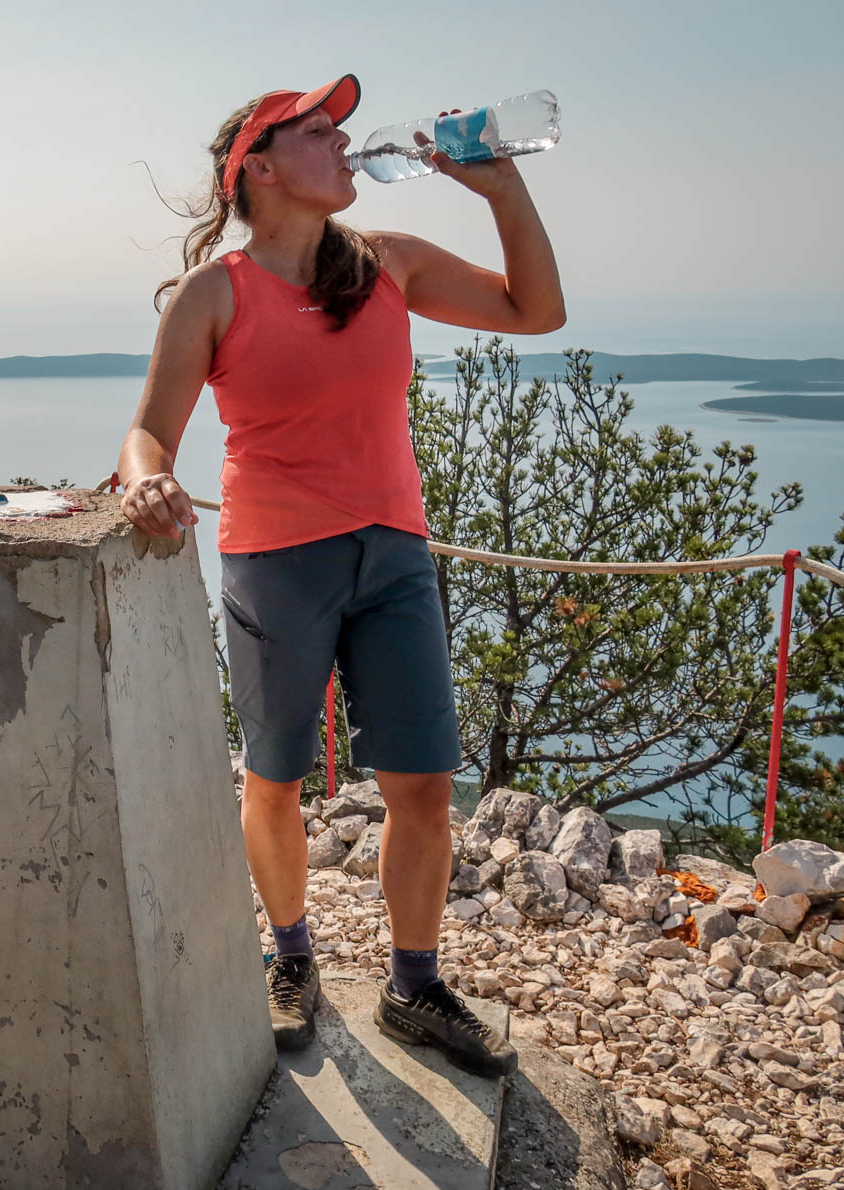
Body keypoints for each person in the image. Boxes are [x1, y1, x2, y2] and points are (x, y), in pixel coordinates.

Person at [116, 75, 563, 1076]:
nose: (346, 139)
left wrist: (499, 192)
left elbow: (538, 310)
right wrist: (149, 484)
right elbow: (149, 431)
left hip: (394, 553)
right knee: (275, 777)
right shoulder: (215, 292)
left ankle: (414, 985)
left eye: (342, 127)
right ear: (259, 169)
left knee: (423, 786)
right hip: (275, 558)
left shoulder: (387, 264)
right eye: (319, 131)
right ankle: (292, 957)